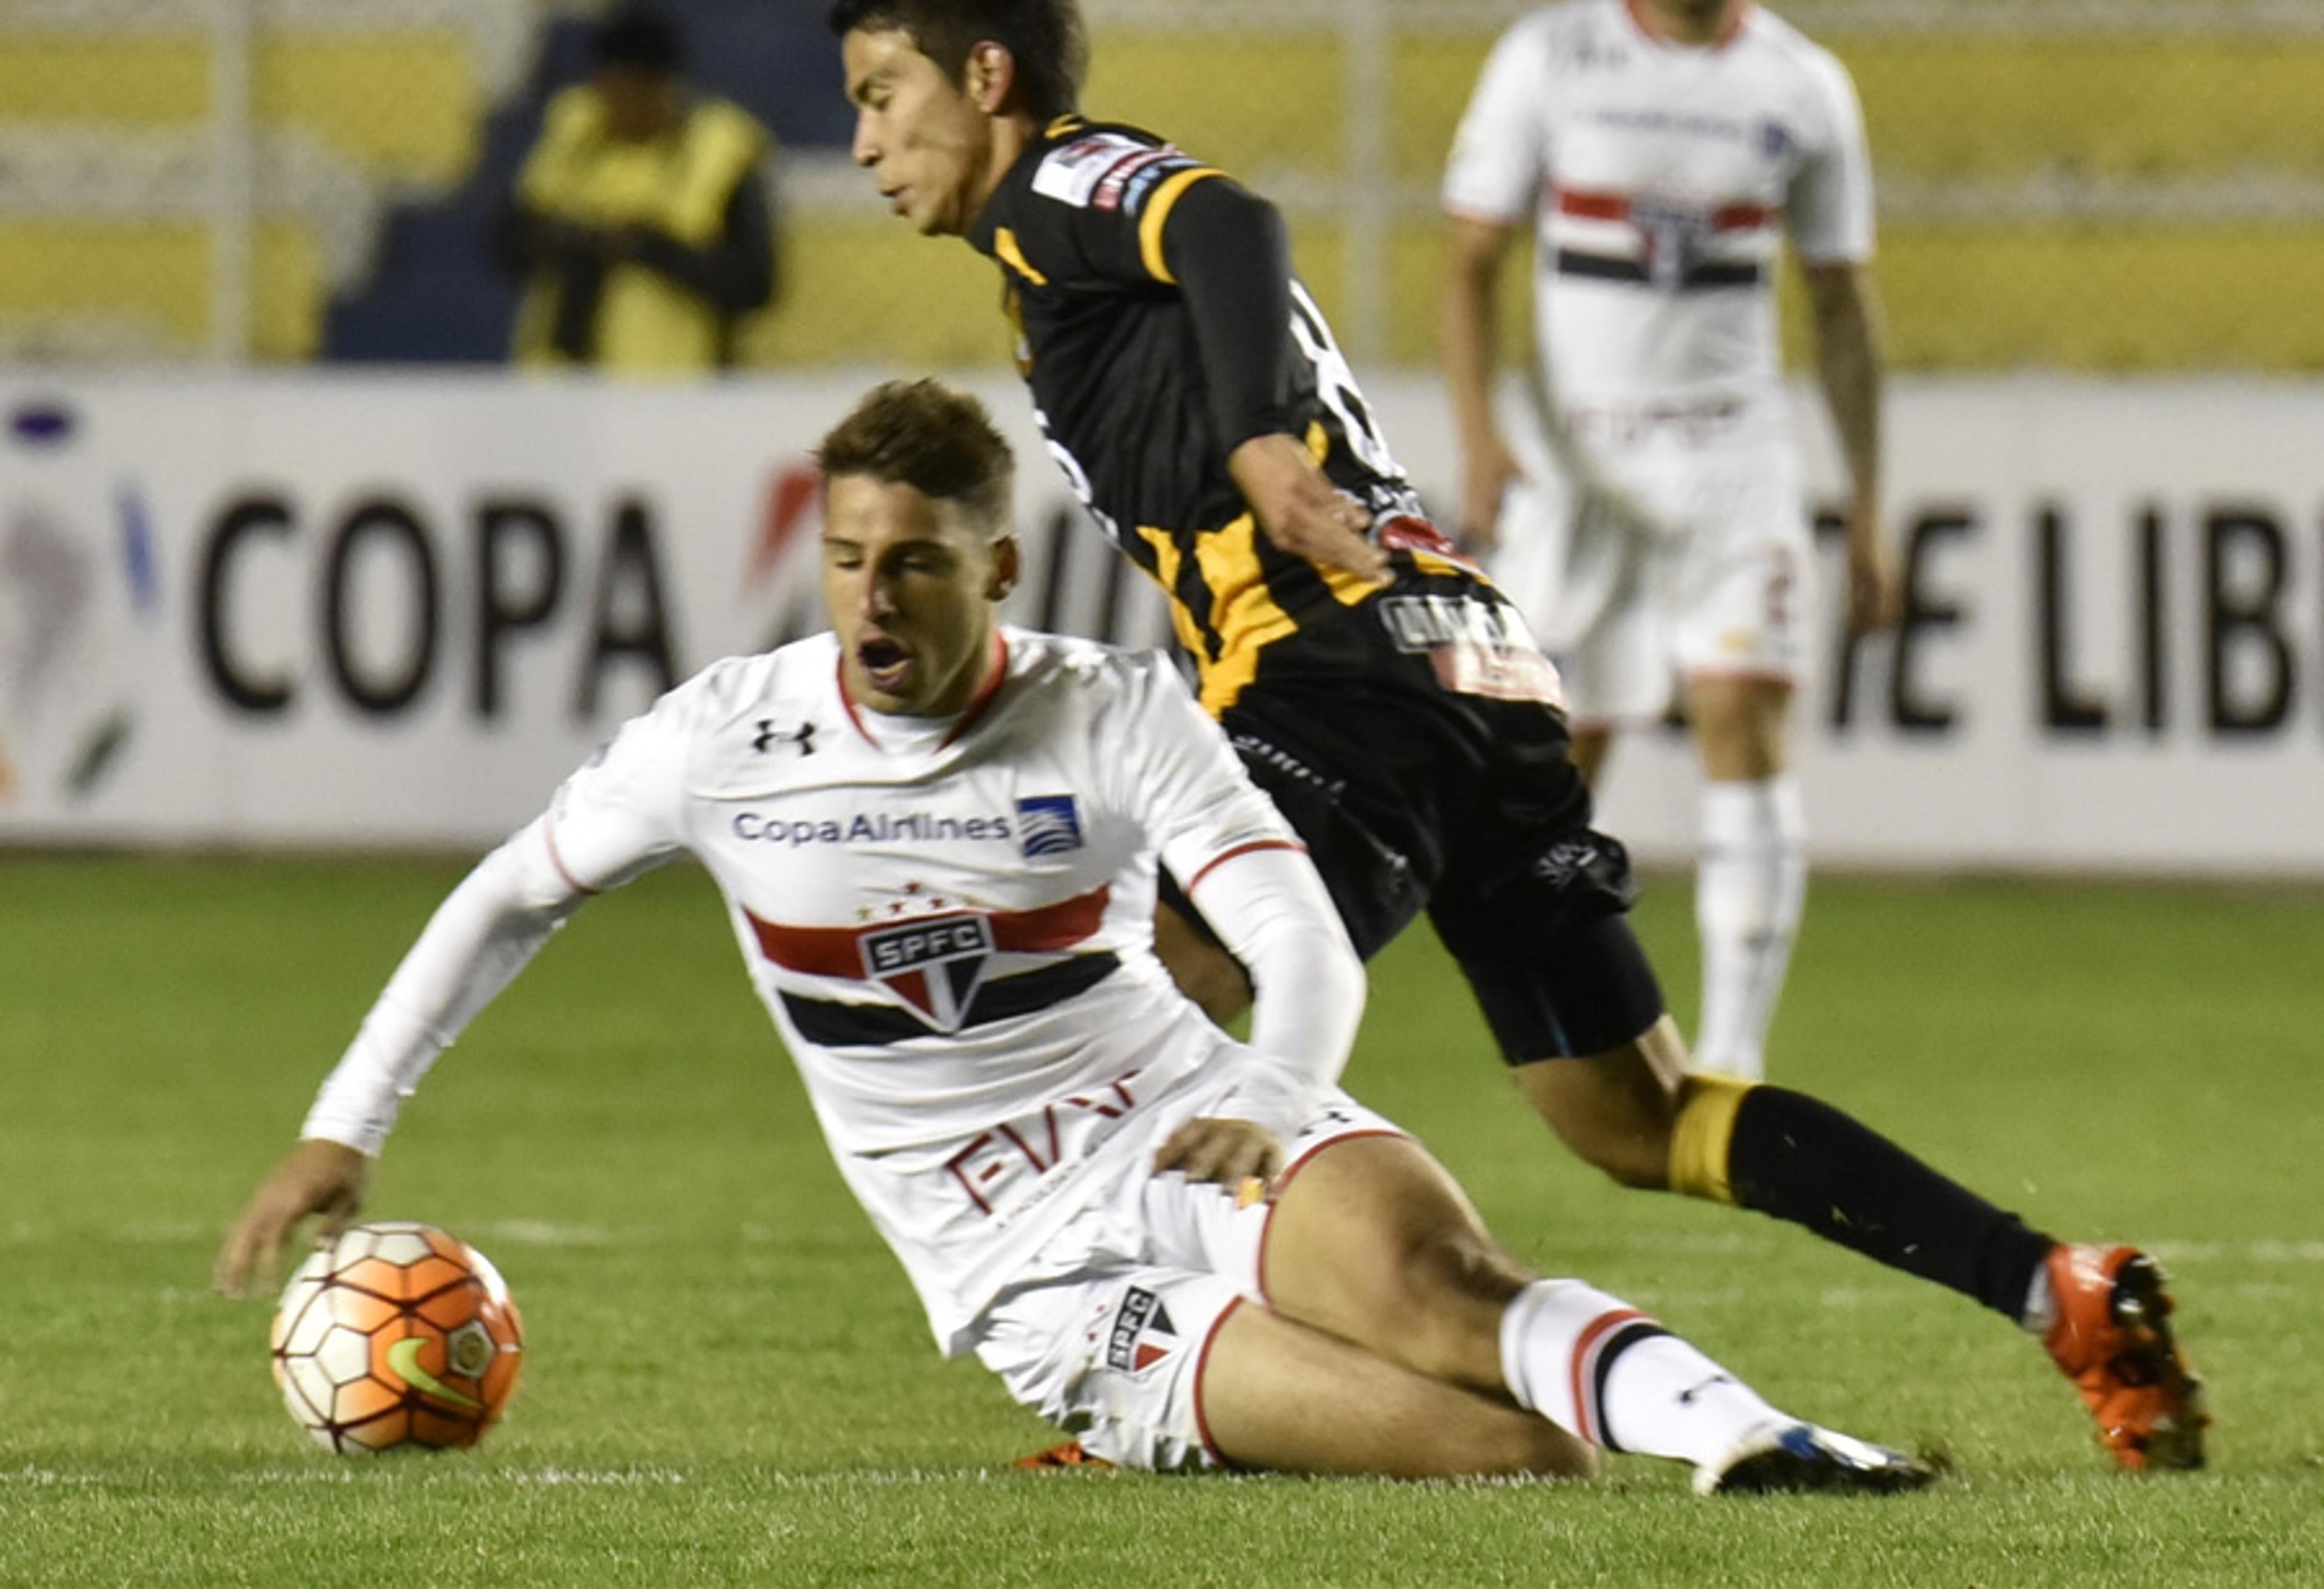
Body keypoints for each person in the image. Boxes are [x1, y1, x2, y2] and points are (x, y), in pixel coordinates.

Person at [826, 0, 2205, 1473]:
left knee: (1126, 984)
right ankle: (2055, 1287)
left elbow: (1227, 221)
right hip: (1461, 658)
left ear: (987, 77)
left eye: (884, 94)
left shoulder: (1060, 184)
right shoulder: (1046, 256)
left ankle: (1170, 1371)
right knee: (1638, 1112)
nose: (866, 140)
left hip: (1335, 669)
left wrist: (1266, 445)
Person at [214, 379, 1931, 1492]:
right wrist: (338, 1127)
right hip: (1023, 1266)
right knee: (1508, 1460)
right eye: (848, 562)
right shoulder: (723, 738)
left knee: (1441, 1283)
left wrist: (1279, 1089)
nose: (877, 601)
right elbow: (507, 892)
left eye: (919, 566)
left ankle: (1762, 1443)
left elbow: (1295, 929)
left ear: (1002, 567)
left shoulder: (1112, 713)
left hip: (1192, 1121)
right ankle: (1185, 1417)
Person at [1440, 0, 1889, 1082]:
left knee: (1743, 715)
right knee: (1550, 765)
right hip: (1580, 465)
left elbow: (1841, 303)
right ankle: (1571, 1040)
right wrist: (1483, 438)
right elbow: (1468, 261)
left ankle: (1730, 1066)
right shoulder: (1550, 59)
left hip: (1735, 458)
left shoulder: (1801, 86)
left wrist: (1870, 499)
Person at [497, 3, 779, 374]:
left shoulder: (722, 151)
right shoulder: (572, 135)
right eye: (609, 89)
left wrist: (651, 249)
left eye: (633, 92)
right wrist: (578, 240)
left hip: (673, 386)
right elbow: (508, 244)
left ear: (665, 86)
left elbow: (753, 283)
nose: (619, 106)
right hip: (559, 380)